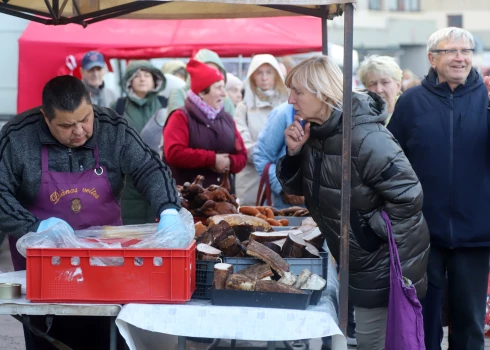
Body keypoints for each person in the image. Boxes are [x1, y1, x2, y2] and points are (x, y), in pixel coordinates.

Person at [0, 75, 184, 349]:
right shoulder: (18, 136)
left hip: (106, 261)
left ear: (90, 105)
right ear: (45, 118)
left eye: (85, 119)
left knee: (106, 335)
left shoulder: (113, 128)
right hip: (43, 264)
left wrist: (169, 209)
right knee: (49, 336)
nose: (79, 131)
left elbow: (149, 168)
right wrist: (34, 226)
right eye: (66, 125)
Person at [276, 56, 430, 350]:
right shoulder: (317, 133)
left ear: (322, 92)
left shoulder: (365, 137)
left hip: (382, 262)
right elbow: (299, 189)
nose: (290, 99)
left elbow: (409, 196)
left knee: (374, 342)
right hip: (357, 259)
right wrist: (294, 154)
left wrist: (364, 232)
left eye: (297, 91)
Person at [388, 27, 490, 350]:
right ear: (432, 58)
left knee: (470, 324)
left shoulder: (487, 97)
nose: (460, 57)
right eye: (451, 51)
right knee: (424, 320)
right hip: (422, 233)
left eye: (466, 51)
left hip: (476, 231)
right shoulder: (411, 102)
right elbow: (391, 159)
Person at [163, 58, 247, 189]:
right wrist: (211, 159)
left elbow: (242, 155)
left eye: (223, 87)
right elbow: (174, 153)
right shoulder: (180, 117)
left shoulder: (227, 119)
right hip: (189, 200)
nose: (224, 94)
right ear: (202, 92)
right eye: (218, 88)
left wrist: (229, 162)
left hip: (223, 200)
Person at [111, 60, 168, 225]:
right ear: (129, 81)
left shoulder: (165, 104)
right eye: (137, 75)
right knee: (130, 228)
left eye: (147, 75)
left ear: (155, 80)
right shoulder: (119, 106)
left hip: (158, 172)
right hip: (128, 178)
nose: (142, 79)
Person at [234, 54, 288, 206]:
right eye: (259, 72)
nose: (264, 77)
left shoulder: (286, 105)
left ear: (276, 75)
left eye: (269, 72)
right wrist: (265, 159)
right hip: (252, 180)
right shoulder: (243, 108)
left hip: (282, 177)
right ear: (252, 77)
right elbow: (243, 142)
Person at [254, 102, 304, 208]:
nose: (291, 99)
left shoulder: (339, 114)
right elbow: (261, 156)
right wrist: (285, 187)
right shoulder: (283, 113)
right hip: (284, 209)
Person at [166, 49, 236, 119]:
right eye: (205, 70)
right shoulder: (179, 94)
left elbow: (232, 126)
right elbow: (178, 122)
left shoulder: (224, 99)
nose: (210, 75)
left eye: (214, 71)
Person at [357, 55, 402, 125]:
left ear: (398, 86)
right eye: (373, 84)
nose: (379, 90)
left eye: (385, 82)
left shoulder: (408, 113)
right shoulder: (358, 117)